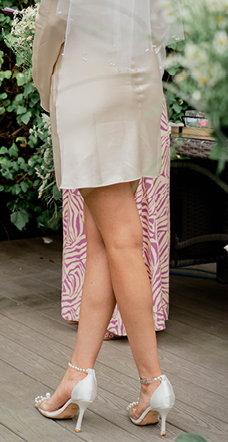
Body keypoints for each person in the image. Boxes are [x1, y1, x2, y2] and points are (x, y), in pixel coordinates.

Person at [31, 0, 181, 435]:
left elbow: (53, 20)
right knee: (101, 239)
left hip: (87, 88)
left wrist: (43, 82)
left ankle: (152, 385)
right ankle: (76, 377)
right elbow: (163, 18)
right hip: (137, 84)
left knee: (119, 239)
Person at [61, 104, 170, 340]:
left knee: (125, 226)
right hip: (103, 102)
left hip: (115, 102)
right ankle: (85, 308)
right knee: (95, 226)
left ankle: (124, 319)